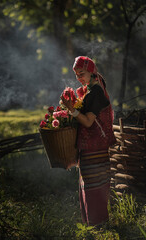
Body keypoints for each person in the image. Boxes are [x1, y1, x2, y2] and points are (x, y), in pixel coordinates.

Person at [61, 56, 116, 227]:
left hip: (95, 148)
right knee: (90, 185)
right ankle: (93, 224)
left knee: (94, 187)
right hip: (92, 147)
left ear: (92, 71)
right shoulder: (91, 91)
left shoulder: (96, 92)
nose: (79, 78)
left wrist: (71, 110)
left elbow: (88, 122)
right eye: (76, 74)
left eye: (82, 73)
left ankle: (98, 225)